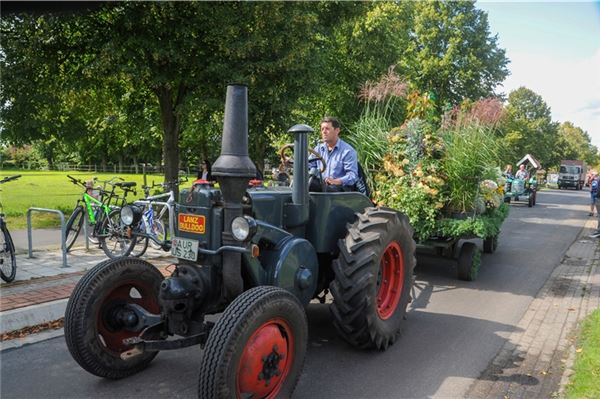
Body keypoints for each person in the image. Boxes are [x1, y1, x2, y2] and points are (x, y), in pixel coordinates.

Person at [312, 116, 358, 192]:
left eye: (327, 129)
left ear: (337, 130)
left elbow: (353, 176)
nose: (324, 132)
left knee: (328, 189)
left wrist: (337, 181)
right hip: (321, 187)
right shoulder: (318, 149)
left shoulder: (348, 151)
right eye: (322, 129)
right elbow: (308, 165)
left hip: (339, 191)